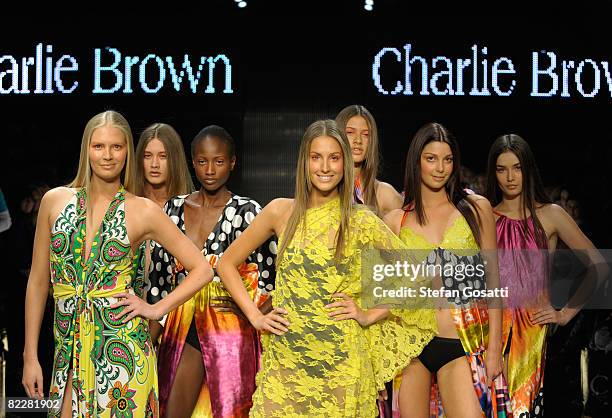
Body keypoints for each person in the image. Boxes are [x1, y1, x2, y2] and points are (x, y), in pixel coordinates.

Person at [217, 119, 436, 417]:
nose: (325, 167)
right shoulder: (280, 212)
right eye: (316, 157)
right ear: (304, 162)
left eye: (334, 158)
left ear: (345, 163)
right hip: (286, 359)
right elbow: (226, 263)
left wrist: (367, 313)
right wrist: (255, 316)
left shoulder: (360, 220)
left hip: (341, 361)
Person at [22, 110, 213, 417]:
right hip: (67, 350)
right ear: (86, 149)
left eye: (117, 147)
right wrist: (30, 354)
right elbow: (38, 281)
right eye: (99, 146)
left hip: (124, 354)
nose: (108, 156)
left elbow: (203, 269)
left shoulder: (143, 210)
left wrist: (155, 308)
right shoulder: (55, 201)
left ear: (127, 151)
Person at [146, 125, 277, 418]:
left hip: (230, 330)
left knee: (229, 410)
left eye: (219, 161)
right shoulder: (173, 209)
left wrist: (262, 337)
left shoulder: (247, 212)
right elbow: (158, 282)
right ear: (192, 162)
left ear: (232, 163)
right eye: (203, 161)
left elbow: (269, 280)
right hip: (179, 324)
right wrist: (145, 342)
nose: (210, 169)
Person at [384, 122, 509, 417]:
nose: (440, 168)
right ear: (417, 162)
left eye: (448, 159)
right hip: (412, 346)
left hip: (462, 342)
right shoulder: (394, 221)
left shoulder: (476, 209)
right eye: (431, 159)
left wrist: (494, 349)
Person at [486, 133, 606, 418]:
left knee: (520, 411)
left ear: (528, 170)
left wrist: (565, 314)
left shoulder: (550, 215)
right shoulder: (485, 216)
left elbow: (598, 266)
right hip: (488, 331)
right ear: (494, 173)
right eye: (502, 169)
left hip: (530, 333)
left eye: (517, 168)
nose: (510, 177)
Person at [335, 105, 403, 217]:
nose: (358, 140)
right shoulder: (324, 191)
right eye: (350, 133)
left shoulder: (384, 193)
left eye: (366, 135)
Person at [134, 122, 194, 208]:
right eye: (147, 156)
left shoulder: (192, 206)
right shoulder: (126, 204)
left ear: (175, 160)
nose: (154, 164)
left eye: (163, 156)